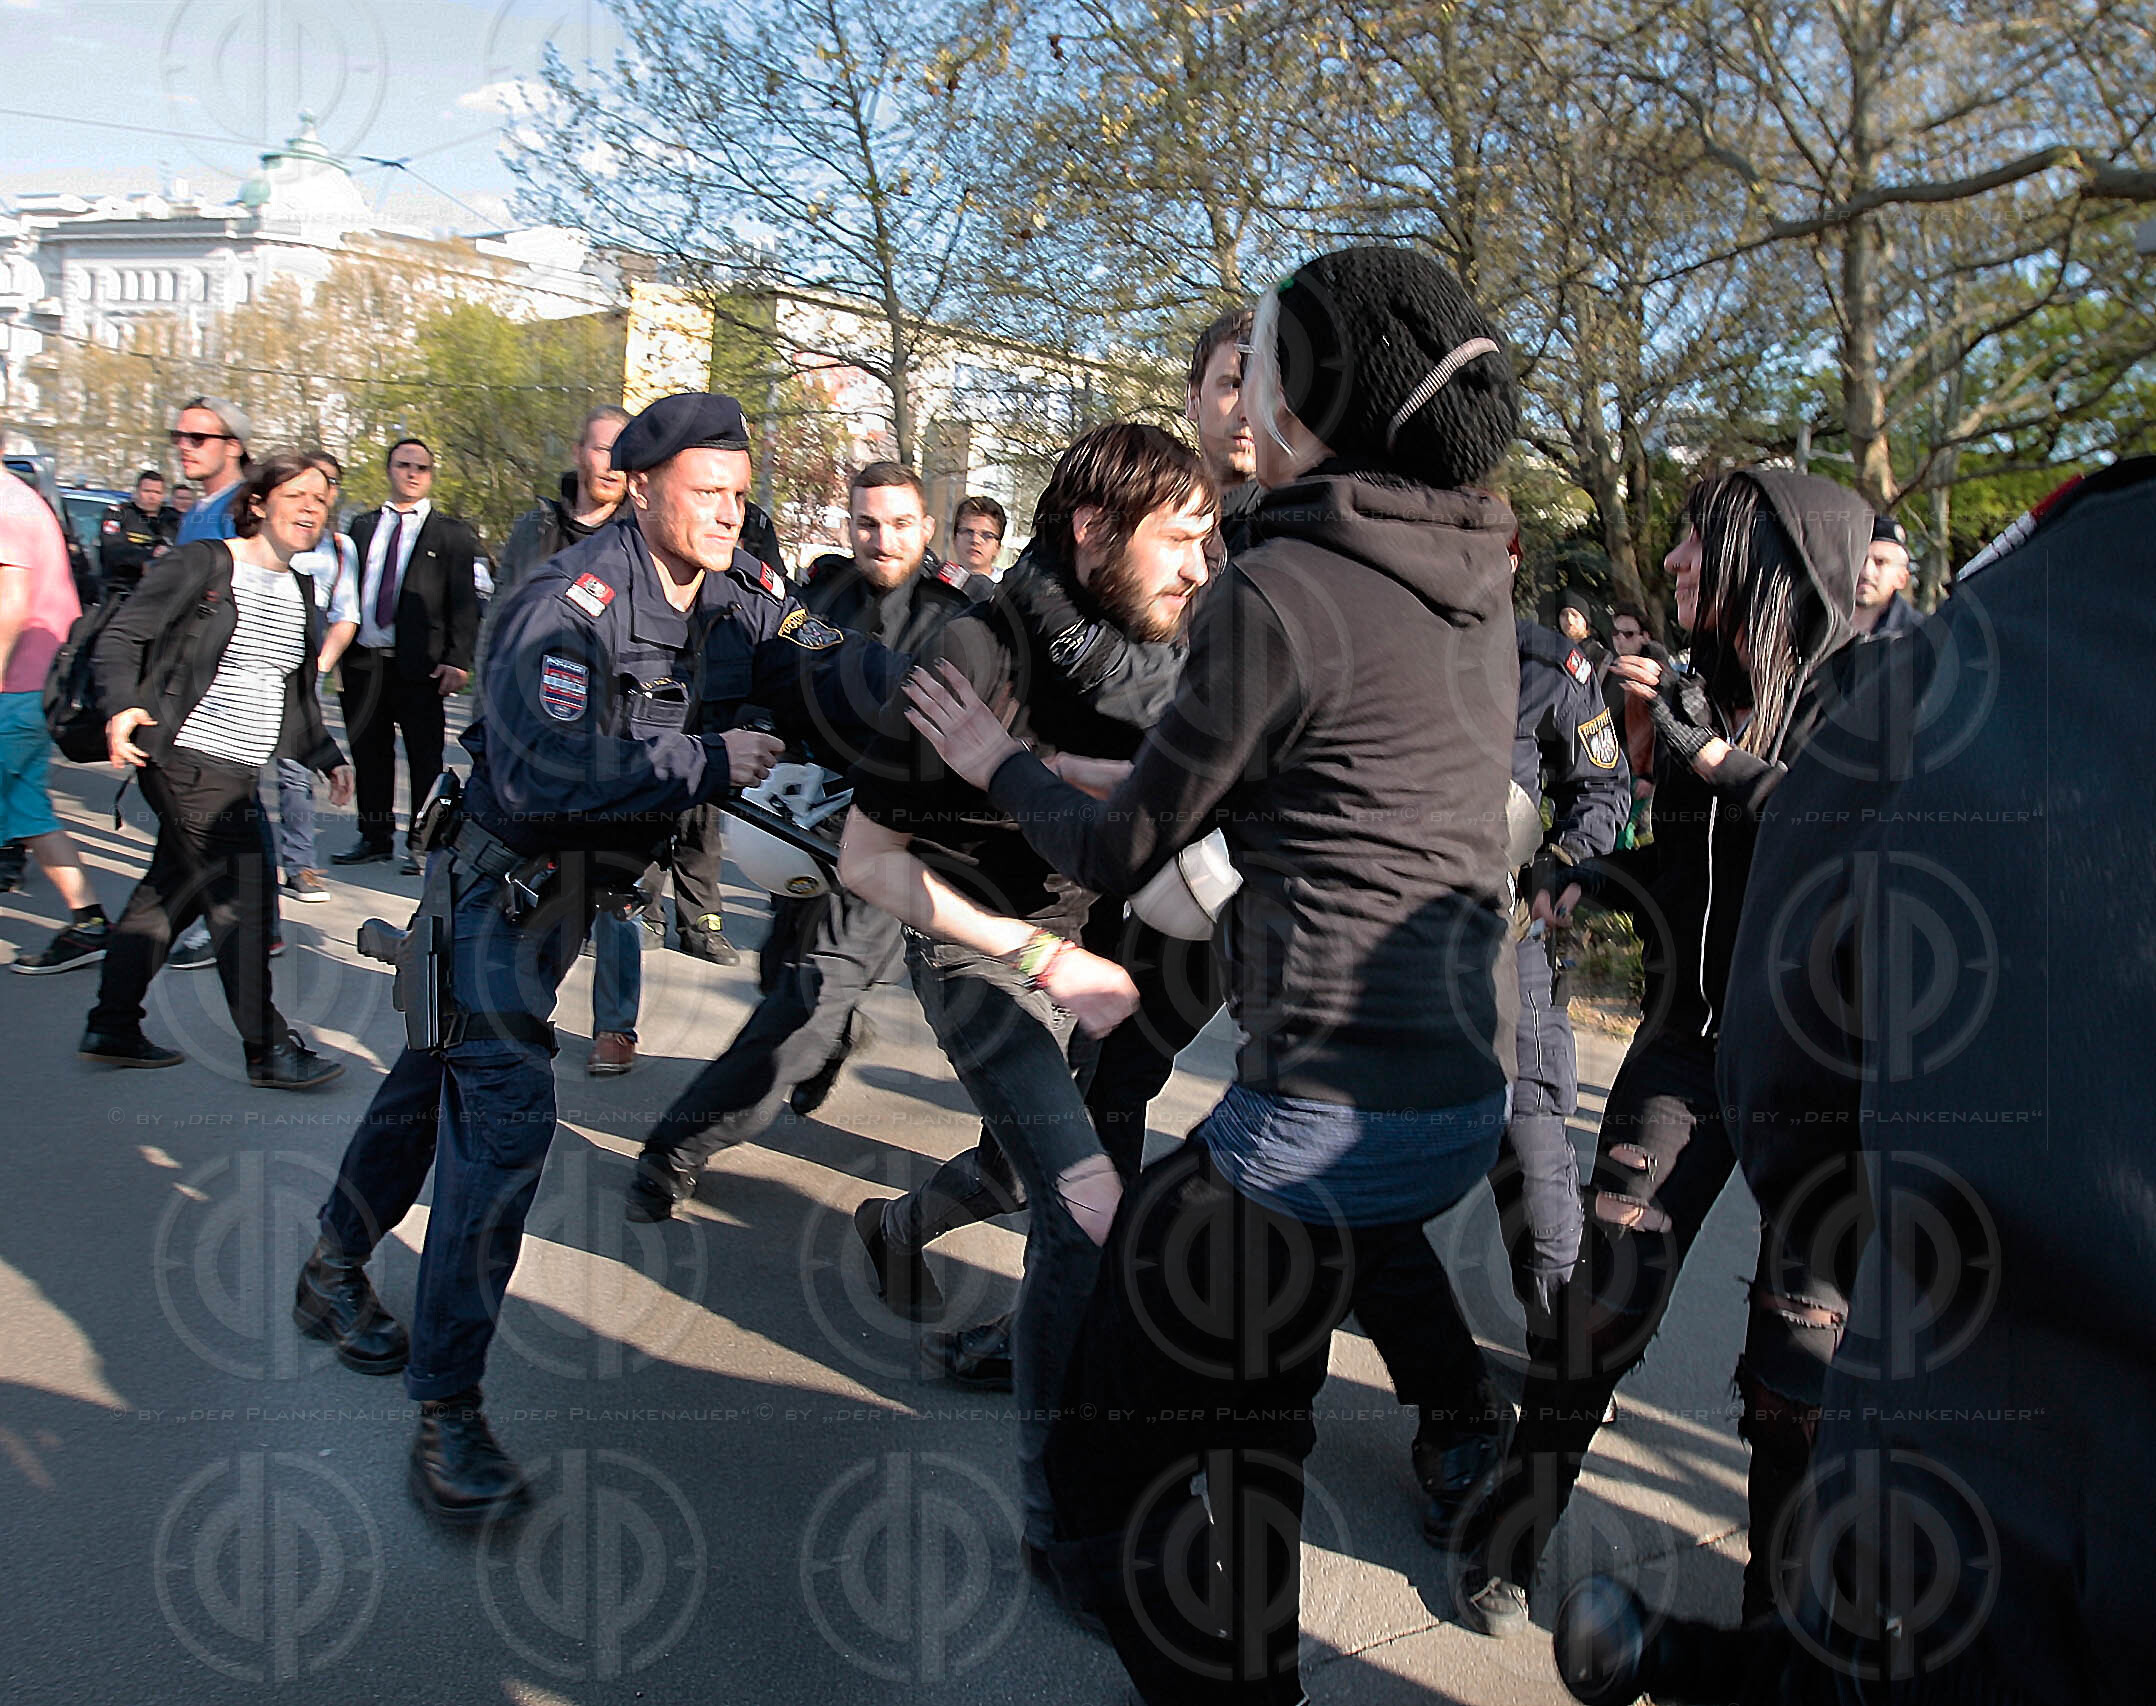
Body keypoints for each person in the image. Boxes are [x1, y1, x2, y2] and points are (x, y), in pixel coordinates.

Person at [902, 245, 1522, 1703]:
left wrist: (996, 761)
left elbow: (1123, 850)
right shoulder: (1475, 563)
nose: (1243, 390)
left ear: (1314, 396)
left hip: (1306, 1135)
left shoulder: (1279, 586)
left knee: (1102, 1481)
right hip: (1456, 1103)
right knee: (1260, 1399)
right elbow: (1331, 767)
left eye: (1264, 360)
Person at [293, 392, 901, 1525]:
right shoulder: (564, 606)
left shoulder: (741, 595)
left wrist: (925, 693)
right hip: (485, 895)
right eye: (707, 491)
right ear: (646, 483)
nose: (729, 511)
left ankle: (330, 1265)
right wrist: (707, 756)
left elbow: (825, 651)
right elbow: (538, 780)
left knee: (426, 1085)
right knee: (503, 1121)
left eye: (738, 489)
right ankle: (448, 1408)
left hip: (566, 903)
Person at [1458, 467, 1868, 1639]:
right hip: (1688, 1051)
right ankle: (1505, 1540)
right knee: (1602, 1304)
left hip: (1822, 1091)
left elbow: (1843, 830)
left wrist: (1703, 759)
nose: (1676, 564)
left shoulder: (1863, 695)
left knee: (1794, 1382)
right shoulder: (1697, 688)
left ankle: (1768, 1635)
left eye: (1699, 547)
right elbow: (1704, 880)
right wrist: (1586, 874)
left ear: (1775, 569)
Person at [839, 421, 1213, 1594]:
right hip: (981, 956)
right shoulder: (970, 644)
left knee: (1030, 1165)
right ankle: (1063, 1526)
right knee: (1089, 1203)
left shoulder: (1153, 645)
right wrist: (1040, 958)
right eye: (1181, 539)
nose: (1200, 568)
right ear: (1095, 529)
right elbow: (863, 858)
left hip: (1101, 949)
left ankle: (897, 1229)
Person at [625, 460, 992, 1219]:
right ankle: (823, 1043)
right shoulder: (818, 595)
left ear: (926, 529)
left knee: (813, 990)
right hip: (801, 826)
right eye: (865, 523)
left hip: (898, 842)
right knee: (780, 973)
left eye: (898, 524)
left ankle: (675, 1150)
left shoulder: (966, 614)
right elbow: (773, 680)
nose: (880, 539)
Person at [79, 451, 355, 1085]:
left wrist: (324, 755)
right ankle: (269, 1050)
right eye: (298, 494)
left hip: (237, 767)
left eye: (322, 498)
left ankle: (112, 1024)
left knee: (167, 895)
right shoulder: (204, 563)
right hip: (186, 757)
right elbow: (122, 637)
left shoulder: (301, 586)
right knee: (245, 904)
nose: (312, 507)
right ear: (258, 502)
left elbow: (287, 688)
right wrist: (122, 706)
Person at [487, 405, 649, 1073]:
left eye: (623, 453)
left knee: (616, 888)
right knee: (531, 877)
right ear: (579, 453)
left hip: (614, 734)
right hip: (533, 728)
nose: (610, 464)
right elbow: (500, 617)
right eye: (601, 449)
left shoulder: (641, 536)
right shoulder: (537, 529)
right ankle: (516, 1016)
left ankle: (616, 1027)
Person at [331, 437, 480, 874]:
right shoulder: (361, 527)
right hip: (364, 662)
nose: (412, 473)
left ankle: (423, 843)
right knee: (369, 753)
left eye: (422, 467)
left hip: (422, 665)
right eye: (403, 465)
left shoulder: (450, 533)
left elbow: (464, 602)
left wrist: (458, 660)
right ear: (389, 469)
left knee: (424, 760)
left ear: (430, 475)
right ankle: (374, 836)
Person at [1, 470, 112, 973]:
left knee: (23, 804)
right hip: (35, 684)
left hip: (17, 684)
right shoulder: (24, 501)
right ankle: (88, 922)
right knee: (25, 807)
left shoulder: (7, 505)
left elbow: (10, 604)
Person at [277, 451, 363, 904]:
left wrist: (320, 667)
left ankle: (301, 864)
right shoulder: (268, 537)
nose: (316, 497)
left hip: (305, 668)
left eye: (326, 486)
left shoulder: (340, 548)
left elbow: (346, 615)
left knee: (296, 770)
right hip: (251, 664)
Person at [171, 397, 250, 544]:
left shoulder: (248, 508)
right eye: (177, 437)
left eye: (197, 438)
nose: (183, 446)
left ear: (233, 447)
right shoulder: (193, 513)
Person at [97, 469, 177, 600]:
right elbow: (112, 550)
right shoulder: (118, 515)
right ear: (137, 491)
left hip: (162, 593)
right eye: (147, 491)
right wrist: (150, 556)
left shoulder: (173, 520)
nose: (152, 497)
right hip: (122, 589)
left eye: (157, 492)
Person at [1852, 510, 1923, 636]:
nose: (1866, 572)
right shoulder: (1817, 617)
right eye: (1860, 559)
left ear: (1901, 578)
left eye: (1880, 562)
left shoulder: (1918, 635)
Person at [948, 494, 1007, 581]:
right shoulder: (936, 585)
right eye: (968, 532)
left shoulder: (1009, 589)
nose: (975, 540)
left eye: (986, 535)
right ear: (954, 539)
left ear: (998, 547)